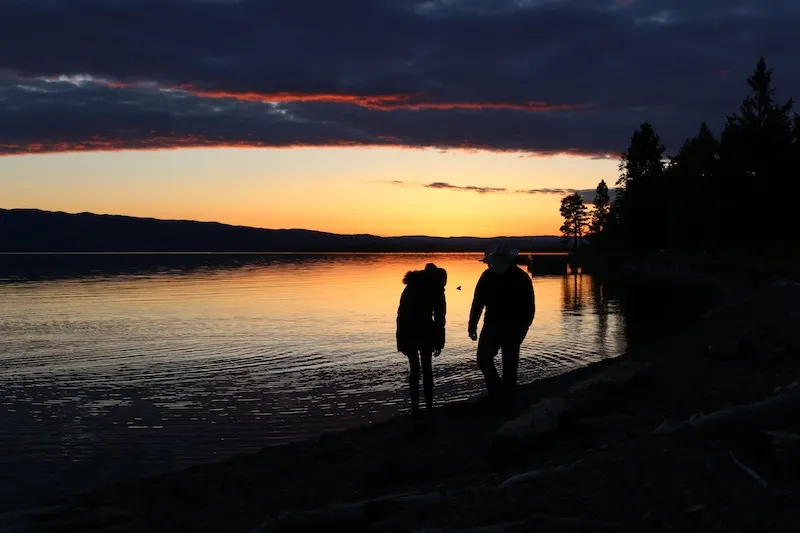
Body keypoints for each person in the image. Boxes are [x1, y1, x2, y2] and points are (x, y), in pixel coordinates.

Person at [468, 244, 535, 408]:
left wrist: (523, 328)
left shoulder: (521, 278)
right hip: (491, 325)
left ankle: (506, 399)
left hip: (513, 327)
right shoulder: (487, 276)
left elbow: (529, 307)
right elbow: (478, 302)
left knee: (509, 365)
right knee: (483, 359)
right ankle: (497, 392)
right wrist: (472, 325)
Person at [396, 263, 447, 416]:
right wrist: (440, 340)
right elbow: (440, 317)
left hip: (408, 331)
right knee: (426, 369)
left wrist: (400, 338)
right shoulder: (435, 289)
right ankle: (428, 407)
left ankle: (415, 408)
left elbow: (400, 314)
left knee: (415, 369)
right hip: (423, 331)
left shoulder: (410, 286)